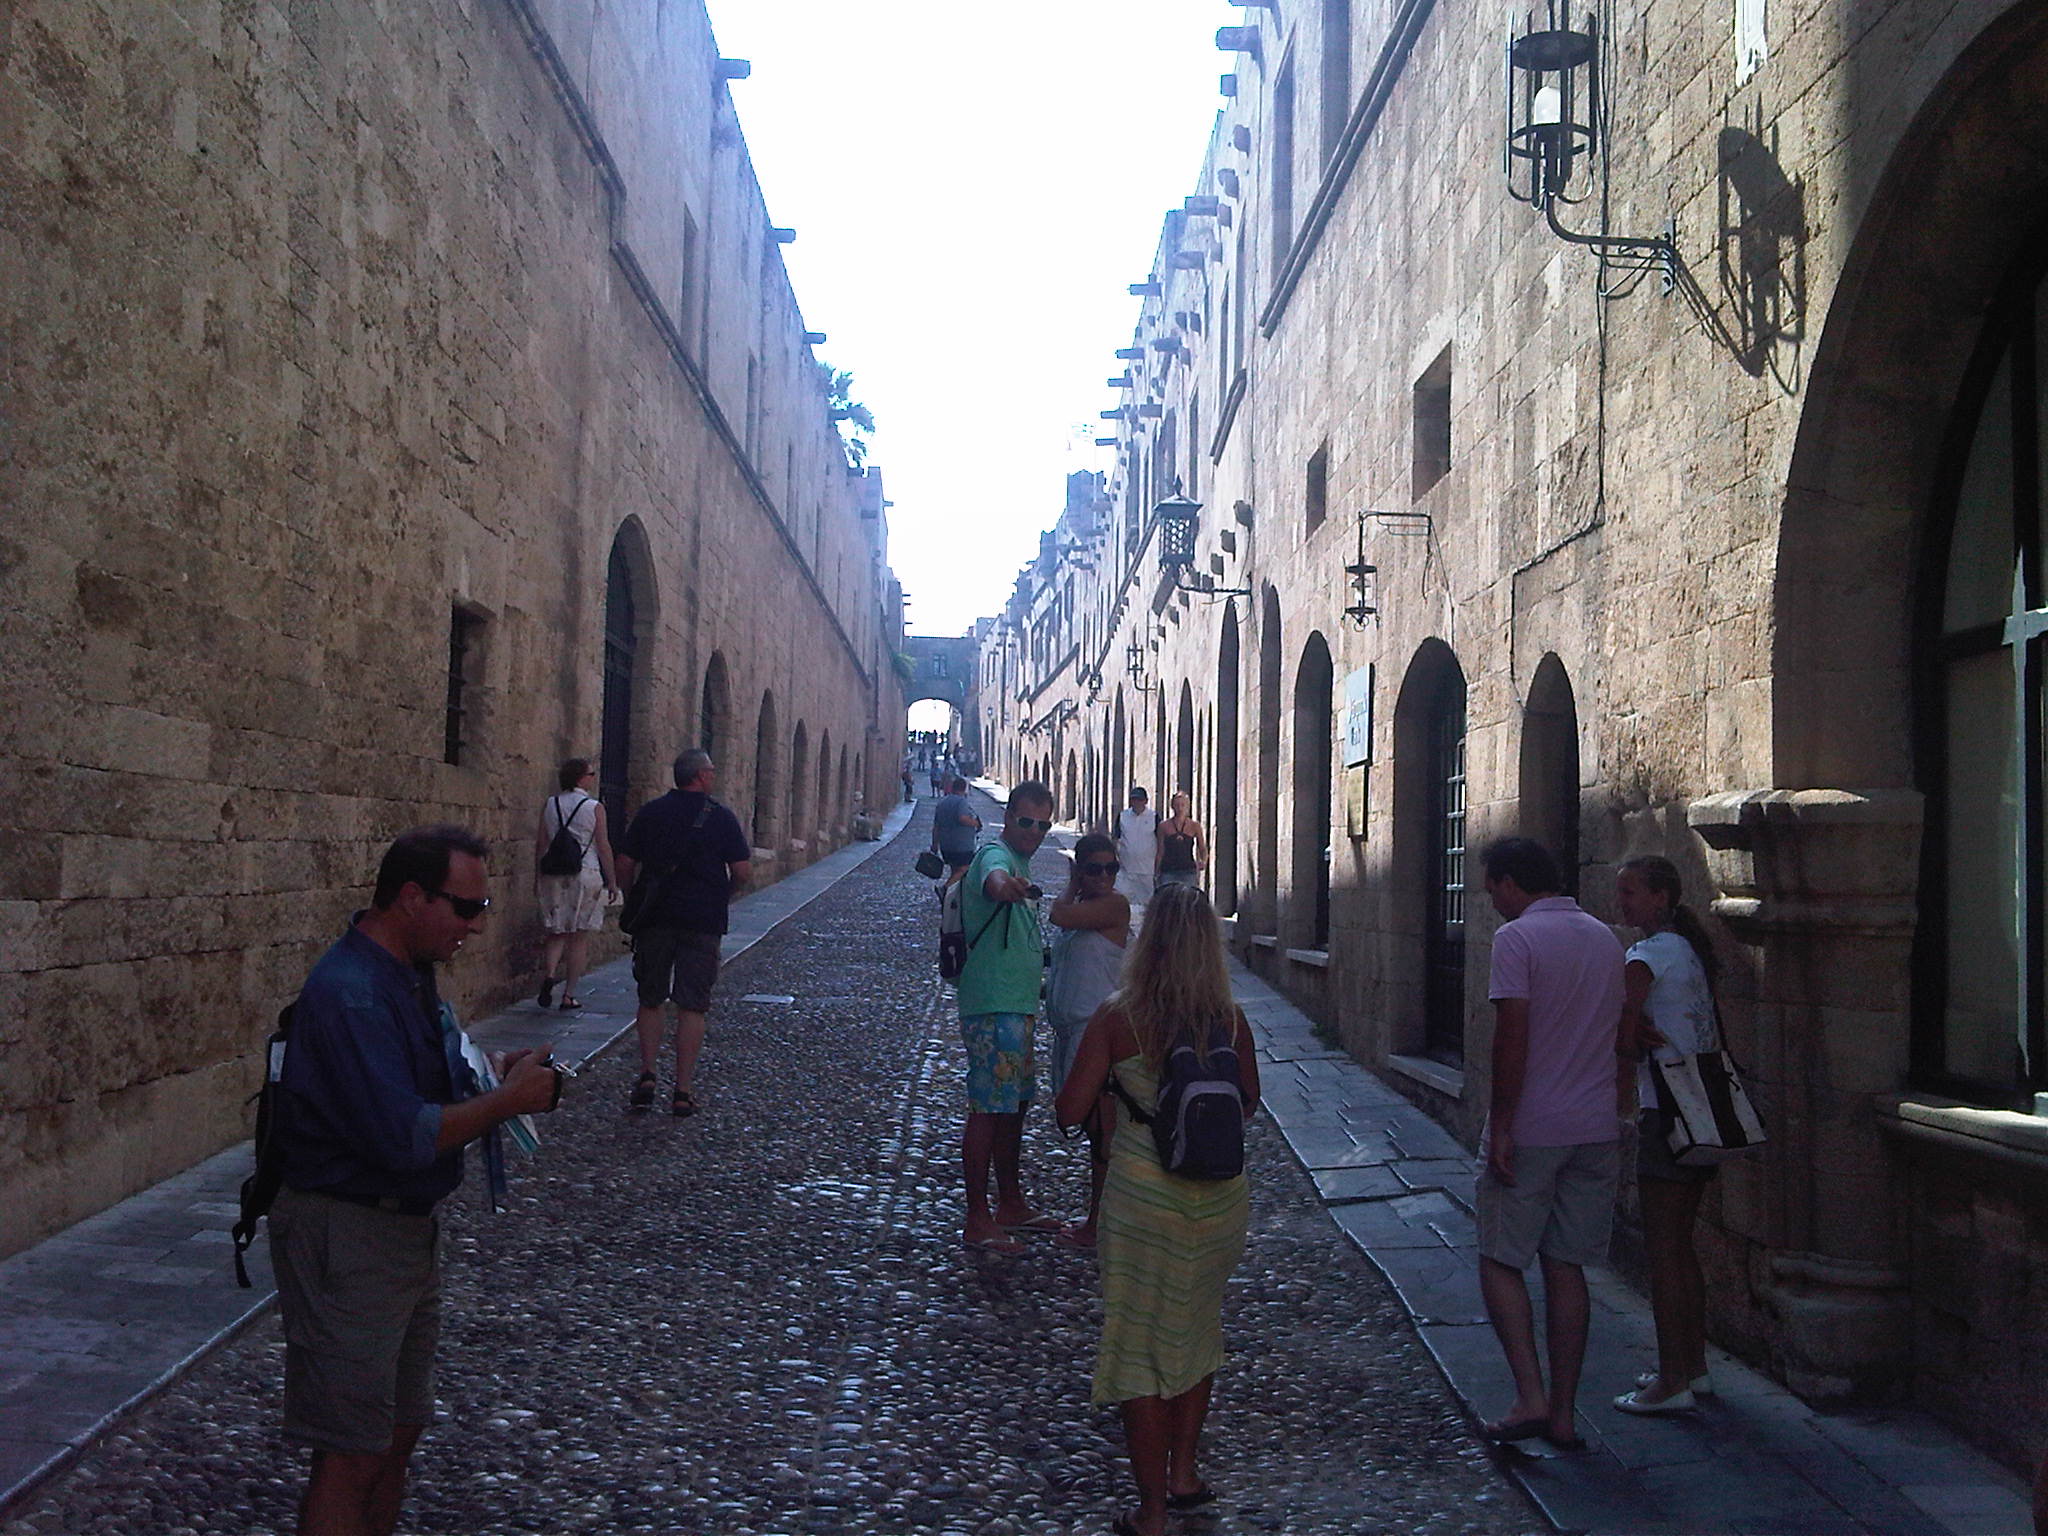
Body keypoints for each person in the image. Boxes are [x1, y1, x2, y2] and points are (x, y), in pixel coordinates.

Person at [268, 827, 563, 1536]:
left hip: (400, 1234)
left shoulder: (404, 973)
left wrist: (490, 1075)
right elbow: (404, 1135)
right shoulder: (353, 994)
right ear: (409, 897)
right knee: (350, 1452)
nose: (478, 924)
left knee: (395, 1435)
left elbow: (419, 1083)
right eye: (466, 907)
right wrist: (507, 1103)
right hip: (349, 1235)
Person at [1055, 882, 1259, 1536]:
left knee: (1137, 1344)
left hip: (1142, 1198)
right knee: (1197, 1331)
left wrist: (1122, 1095)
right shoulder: (1230, 1019)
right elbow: (1248, 1103)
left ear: (1148, 944)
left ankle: (1150, 1512)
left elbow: (1069, 1110)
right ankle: (1184, 1475)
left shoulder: (1119, 1018)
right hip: (1219, 1200)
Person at [1474, 836, 1627, 1451]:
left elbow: (1512, 1037)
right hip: (1596, 1126)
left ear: (1511, 883)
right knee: (1567, 1267)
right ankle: (1563, 1414)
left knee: (1500, 1257)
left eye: (1492, 889)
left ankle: (1529, 1397)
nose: (1491, 901)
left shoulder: (1517, 939)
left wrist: (1502, 1124)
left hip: (1535, 1125)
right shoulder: (1605, 938)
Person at [1612, 854, 1723, 1413]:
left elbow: (1621, 1038)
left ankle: (1672, 1380)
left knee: (1663, 1252)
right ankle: (1693, 1366)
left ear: (1660, 897)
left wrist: (1629, 1035)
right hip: (1704, 1111)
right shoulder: (1687, 951)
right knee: (1682, 1247)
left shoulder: (1645, 957)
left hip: (1665, 1112)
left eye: (1630, 892)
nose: (1621, 901)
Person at [616, 750, 752, 1117]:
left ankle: (647, 1074)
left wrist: (633, 897)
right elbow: (742, 871)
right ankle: (682, 1090)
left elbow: (625, 862)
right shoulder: (721, 817)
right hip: (702, 920)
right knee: (692, 1004)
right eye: (712, 771)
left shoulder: (651, 812)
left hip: (655, 918)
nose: (714, 776)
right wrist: (722, 895)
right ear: (701, 776)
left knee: (651, 998)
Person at [956, 779, 1059, 1252]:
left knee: (1013, 1106)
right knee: (989, 1108)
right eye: (1026, 821)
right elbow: (993, 880)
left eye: (1043, 825)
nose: (1034, 832)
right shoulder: (995, 856)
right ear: (1008, 817)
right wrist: (1006, 888)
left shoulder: (1022, 860)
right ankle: (978, 1217)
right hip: (993, 1005)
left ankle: (1011, 1203)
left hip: (1017, 1005)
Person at [1046, 831, 1131, 1249]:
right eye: (1094, 869)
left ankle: (1099, 1223)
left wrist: (1070, 885)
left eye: (1110, 868)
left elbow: (1057, 915)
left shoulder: (1115, 905)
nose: (1103, 877)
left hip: (1096, 1032)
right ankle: (1101, 1217)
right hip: (1071, 1032)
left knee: (1102, 1130)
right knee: (1092, 1126)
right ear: (1081, 869)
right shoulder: (1084, 909)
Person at [531, 758, 616, 1012]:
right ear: (581, 778)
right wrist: (612, 881)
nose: (593, 778)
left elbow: (541, 843)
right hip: (585, 872)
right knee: (579, 937)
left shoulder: (550, 804)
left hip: (553, 873)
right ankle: (568, 995)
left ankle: (549, 974)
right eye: (591, 774)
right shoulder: (594, 807)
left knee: (557, 931)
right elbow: (603, 846)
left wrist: (537, 876)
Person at [930, 775, 983, 885]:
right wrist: (976, 823)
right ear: (964, 788)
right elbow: (962, 818)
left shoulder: (942, 802)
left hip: (945, 845)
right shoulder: (961, 802)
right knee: (964, 868)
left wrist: (935, 844)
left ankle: (953, 893)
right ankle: (945, 888)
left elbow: (936, 826)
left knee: (955, 871)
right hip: (961, 846)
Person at [1114, 786, 1159, 907]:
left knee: (1147, 905)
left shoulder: (1154, 817)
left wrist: (1159, 864)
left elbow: (1161, 840)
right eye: (1134, 800)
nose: (1137, 803)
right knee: (1123, 903)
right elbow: (1115, 838)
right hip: (1126, 870)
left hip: (1147, 871)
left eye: (1140, 800)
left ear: (1146, 801)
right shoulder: (1122, 816)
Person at [1154, 791, 1207, 890]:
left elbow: (1202, 848)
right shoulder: (1164, 826)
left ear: (1187, 806)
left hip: (1188, 870)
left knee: (1188, 896)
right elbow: (1160, 851)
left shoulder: (1194, 826)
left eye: (1183, 805)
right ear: (1172, 806)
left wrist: (1203, 861)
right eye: (1177, 805)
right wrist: (1156, 871)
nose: (1180, 808)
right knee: (1167, 896)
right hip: (1168, 870)